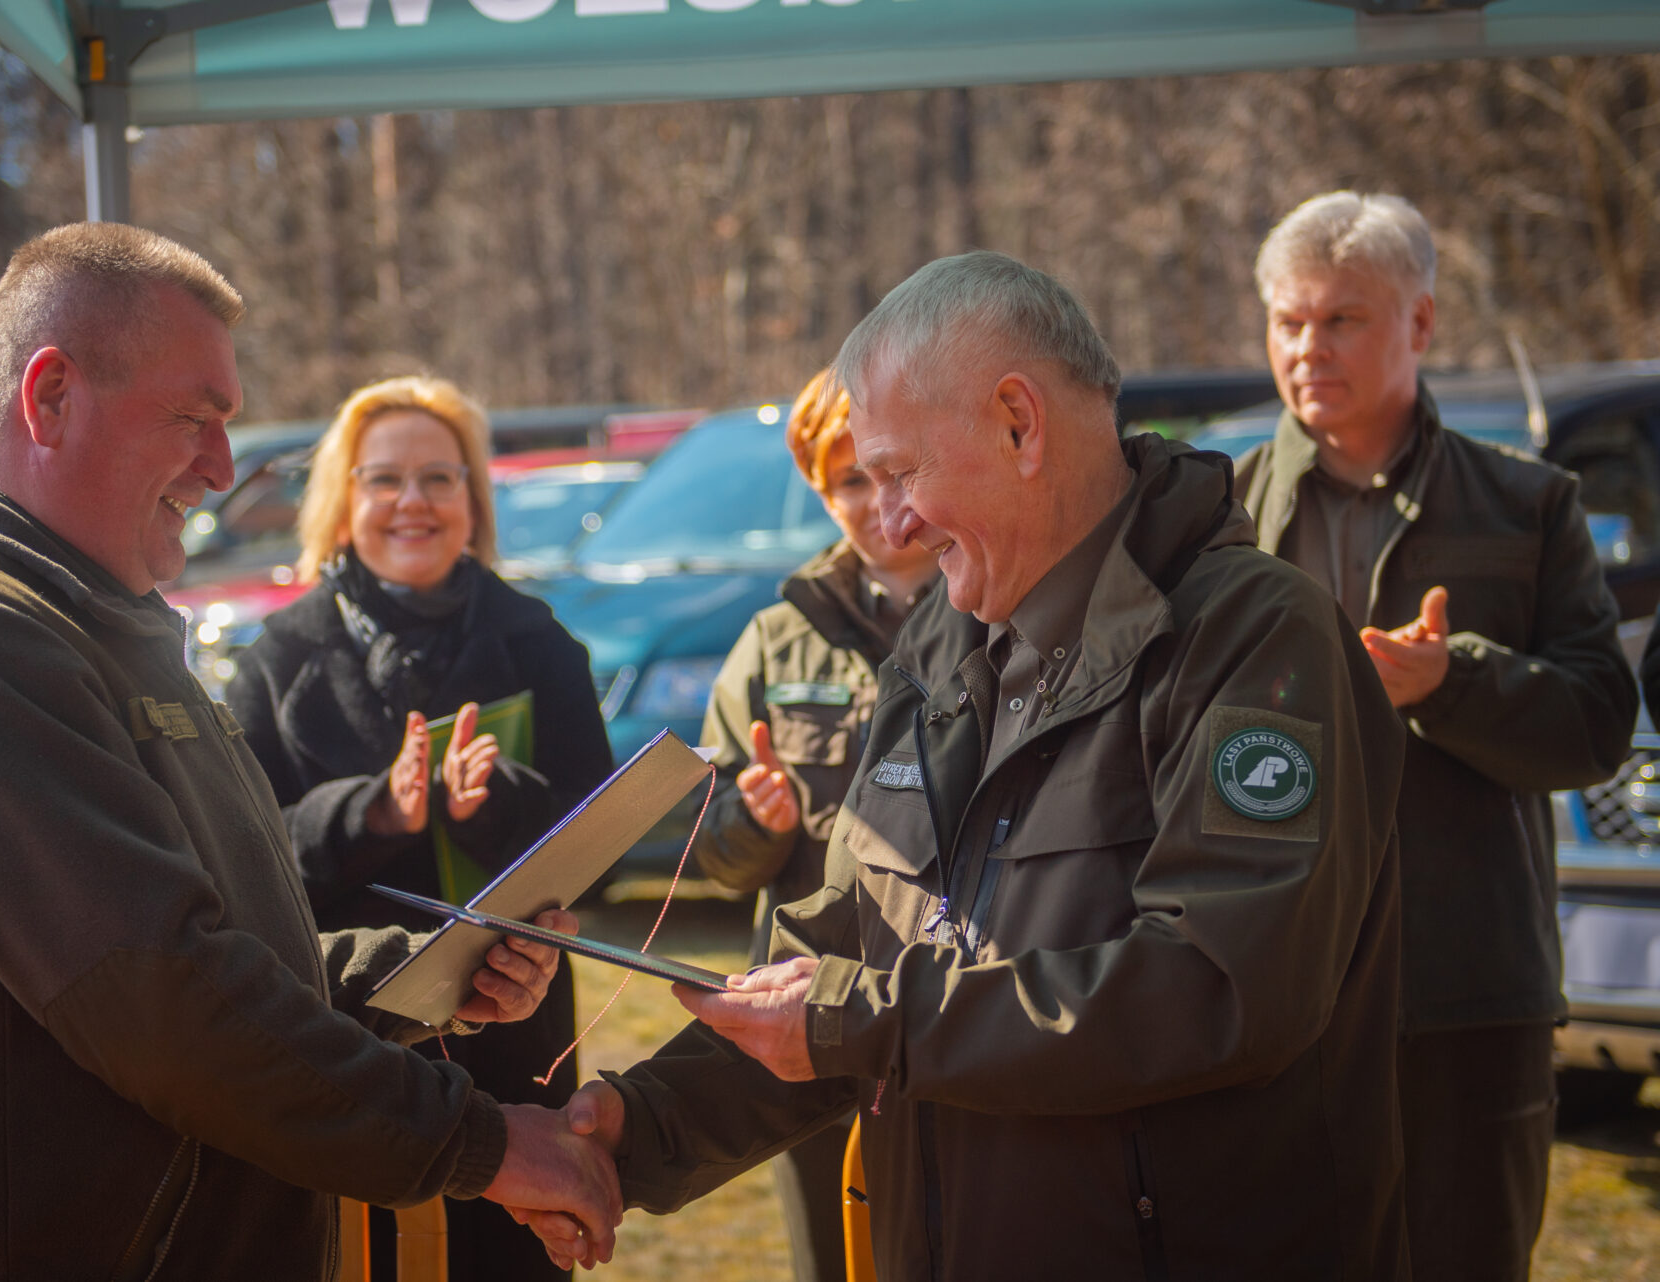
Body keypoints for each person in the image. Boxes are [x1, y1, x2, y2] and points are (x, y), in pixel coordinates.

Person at [534, 249, 1413, 1279]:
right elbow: (846, 947)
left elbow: (1217, 990)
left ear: (1018, 421)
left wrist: (860, 1018)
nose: (890, 522)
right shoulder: (942, 648)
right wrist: (640, 1125)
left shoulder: (1256, 640)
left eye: (901, 472)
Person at [0, 222, 621, 1280]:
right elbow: (161, 992)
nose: (224, 469)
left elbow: (232, 947)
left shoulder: (96, 622)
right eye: (196, 419)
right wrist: (486, 1144)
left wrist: (427, 971)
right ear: (49, 398)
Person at [1230, 190, 1635, 1282]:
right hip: (1273, 994)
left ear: (1421, 325)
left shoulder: (1528, 506)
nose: (1307, 347)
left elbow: (1599, 725)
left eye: (1342, 320)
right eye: (1288, 320)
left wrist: (1448, 681)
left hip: (1467, 995)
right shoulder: (1222, 521)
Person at [226, 374, 612, 1282]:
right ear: (342, 498)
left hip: (512, 1034)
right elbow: (242, 845)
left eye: (439, 479)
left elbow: (598, 827)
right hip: (343, 1047)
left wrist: (494, 800)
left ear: (473, 500)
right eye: (384, 479)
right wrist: (378, 810)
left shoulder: (537, 641)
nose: (413, 502)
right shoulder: (281, 656)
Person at [690, 366, 937, 1282]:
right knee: (832, 1258)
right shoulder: (772, 639)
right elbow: (710, 855)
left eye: (894, 472)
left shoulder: (999, 608)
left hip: (947, 1009)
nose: (877, 504)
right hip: (808, 1015)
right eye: (846, 483)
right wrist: (759, 823)